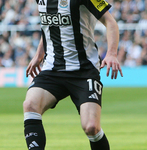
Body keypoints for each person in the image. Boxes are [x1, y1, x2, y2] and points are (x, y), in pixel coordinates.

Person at [23, 0, 123, 150]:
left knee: (91, 127)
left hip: (84, 71)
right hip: (53, 69)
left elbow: (110, 22)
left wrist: (112, 54)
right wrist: (39, 54)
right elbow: (49, 26)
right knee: (30, 105)